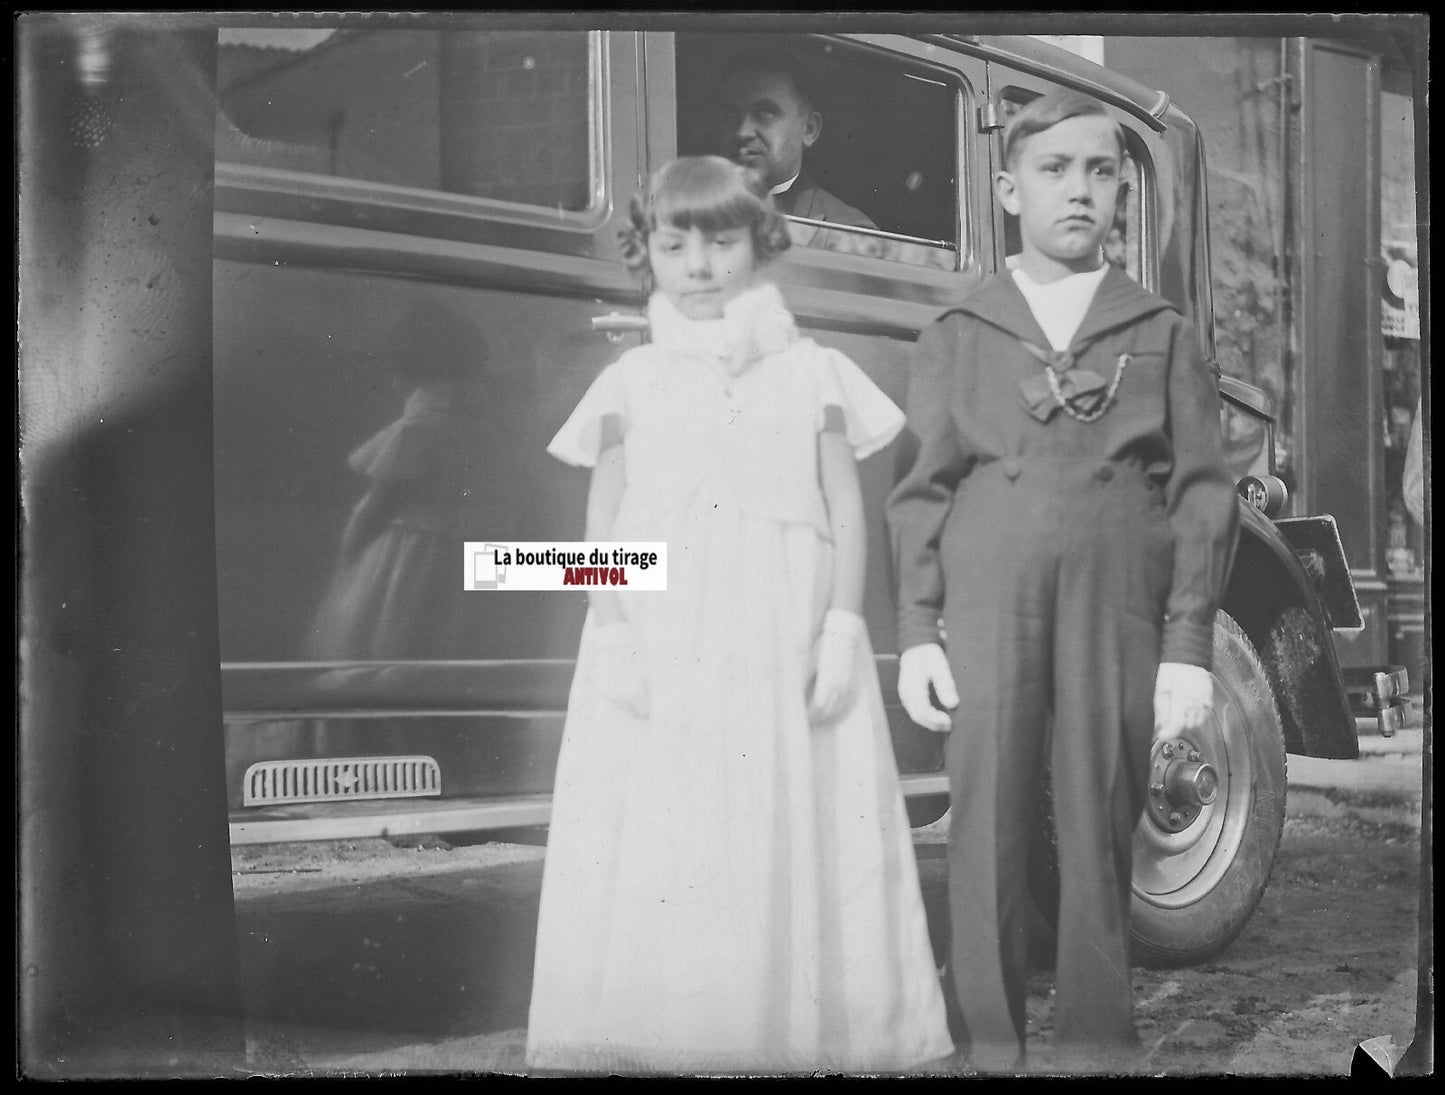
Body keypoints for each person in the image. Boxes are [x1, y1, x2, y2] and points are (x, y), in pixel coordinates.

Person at [526, 156, 953, 1075]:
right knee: (670, 837)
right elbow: (600, 526)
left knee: (785, 826)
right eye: (675, 245)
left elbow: (845, 512)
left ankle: (786, 1035)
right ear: (649, 258)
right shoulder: (633, 380)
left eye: (720, 241)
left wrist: (843, 629)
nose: (700, 264)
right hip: (664, 643)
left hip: (782, 643)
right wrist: (613, 633)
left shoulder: (813, 372)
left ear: (758, 246)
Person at [885, 90, 1238, 1074]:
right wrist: (916, 624)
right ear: (1008, 189)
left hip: (1115, 607)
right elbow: (922, 487)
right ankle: (984, 1048)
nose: (1078, 190)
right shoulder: (959, 327)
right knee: (986, 825)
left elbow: (1202, 494)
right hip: (989, 605)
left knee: (1095, 823)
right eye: (1053, 169)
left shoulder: (1157, 331)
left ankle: (1094, 1048)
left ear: (1120, 189)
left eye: (1098, 171)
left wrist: (1184, 648)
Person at [715, 47, 876, 248]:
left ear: (809, 130)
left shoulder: (848, 231)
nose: (742, 132)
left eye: (764, 113)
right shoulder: (686, 208)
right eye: (730, 115)